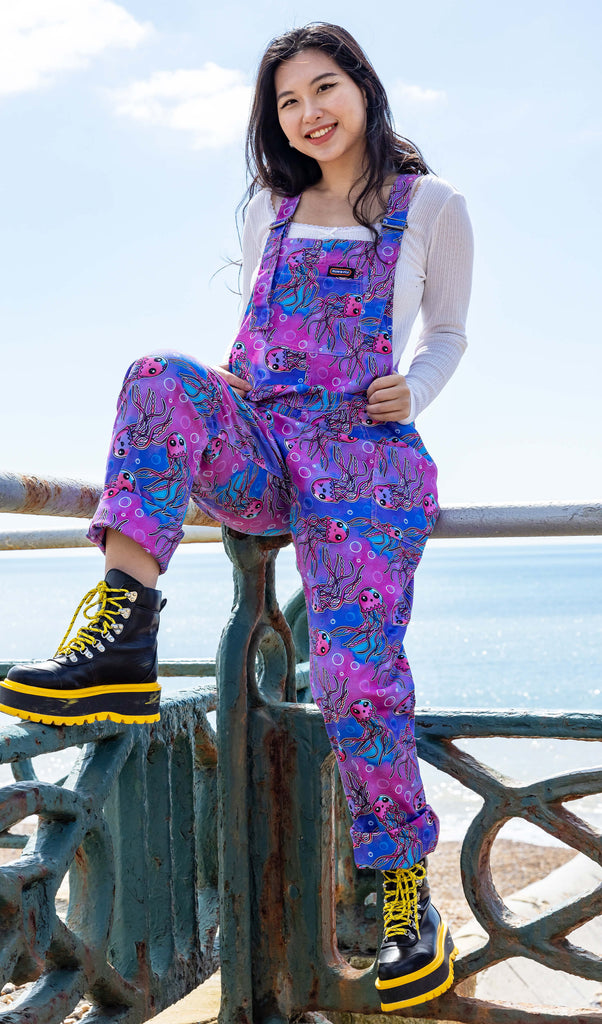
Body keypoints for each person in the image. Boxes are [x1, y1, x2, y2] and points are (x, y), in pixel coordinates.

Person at [0, 22, 473, 1012]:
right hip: (266, 441)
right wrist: (225, 388)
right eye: (288, 100)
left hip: (363, 460)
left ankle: (400, 895)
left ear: (362, 89)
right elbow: (256, 339)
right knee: (155, 382)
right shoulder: (273, 205)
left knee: (354, 671)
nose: (309, 111)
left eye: (324, 86)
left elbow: (446, 330)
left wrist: (412, 393)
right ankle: (121, 641)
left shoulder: (428, 206)